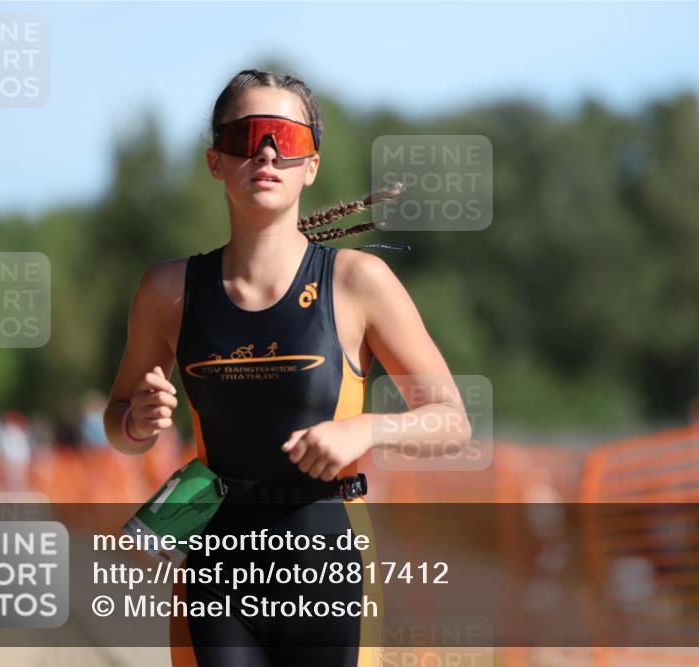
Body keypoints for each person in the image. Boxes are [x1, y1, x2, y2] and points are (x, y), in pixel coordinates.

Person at [103, 68, 472, 667]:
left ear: (313, 164)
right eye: (247, 137)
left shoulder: (357, 282)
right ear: (215, 161)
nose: (268, 152)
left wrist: (368, 428)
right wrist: (138, 422)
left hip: (328, 560)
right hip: (212, 564)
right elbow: (118, 426)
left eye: (287, 138)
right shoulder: (167, 290)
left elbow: (453, 420)